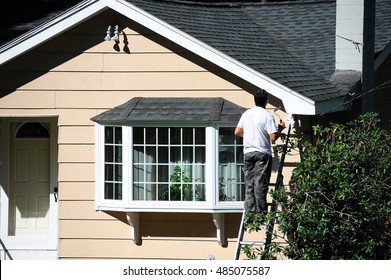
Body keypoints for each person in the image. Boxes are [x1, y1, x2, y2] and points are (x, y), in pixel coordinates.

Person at [234, 89, 285, 216]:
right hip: (262, 153)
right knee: (260, 182)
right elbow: (273, 137)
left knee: (249, 183)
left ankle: (250, 210)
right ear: (266, 101)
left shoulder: (246, 114)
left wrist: (251, 135)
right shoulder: (267, 115)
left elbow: (237, 132)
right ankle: (261, 211)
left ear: (254, 100)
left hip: (248, 153)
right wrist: (280, 128)